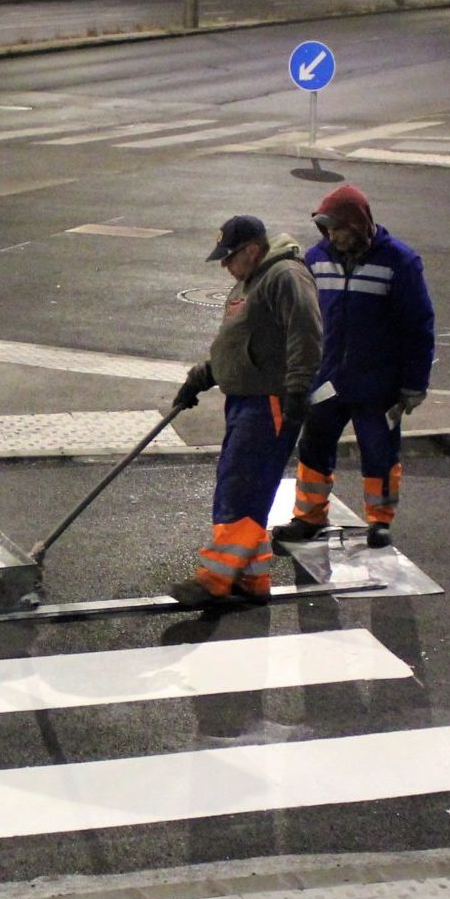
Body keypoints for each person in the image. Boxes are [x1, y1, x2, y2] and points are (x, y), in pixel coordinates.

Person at [166, 213, 323, 609]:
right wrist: (201, 377)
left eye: (229, 255)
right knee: (243, 487)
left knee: (241, 487)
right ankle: (251, 579)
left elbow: (306, 331)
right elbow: (236, 345)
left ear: (252, 250)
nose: (224, 264)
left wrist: (297, 389)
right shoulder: (248, 282)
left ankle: (217, 577)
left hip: (269, 400)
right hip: (245, 400)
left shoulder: (285, 276)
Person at [274, 184, 436, 549]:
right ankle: (309, 516)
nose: (332, 236)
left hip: (378, 384)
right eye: (327, 229)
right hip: (326, 381)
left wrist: (414, 382)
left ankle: (379, 520)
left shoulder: (399, 262)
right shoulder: (315, 260)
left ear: (359, 225)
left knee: (379, 452)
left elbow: (418, 325)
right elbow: (300, 321)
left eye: (338, 229)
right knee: (314, 447)